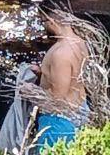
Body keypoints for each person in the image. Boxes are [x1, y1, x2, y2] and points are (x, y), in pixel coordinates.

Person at [34, 8, 90, 148]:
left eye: (44, 21)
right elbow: (72, 77)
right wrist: (43, 74)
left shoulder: (61, 54)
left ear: (52, 21)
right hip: (80, 108)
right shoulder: (80, 42)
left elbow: (58, 98)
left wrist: (30, 91)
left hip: (59, 121)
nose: (44, 26)